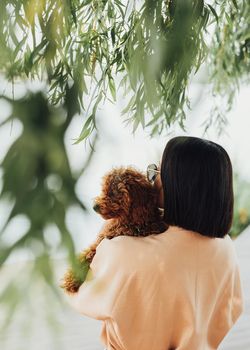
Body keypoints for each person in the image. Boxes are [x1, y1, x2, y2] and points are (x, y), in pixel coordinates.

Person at [65, 136, 244, 350]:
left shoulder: (124, 251)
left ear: (177, 185)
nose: (153, 180)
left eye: (157, 172)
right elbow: (232, 309)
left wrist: (114, 224)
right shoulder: (225, 249)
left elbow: (80, 294)